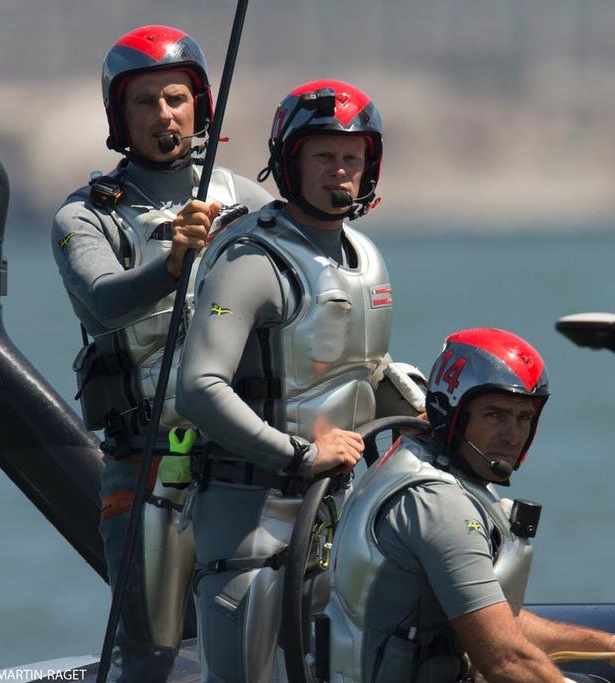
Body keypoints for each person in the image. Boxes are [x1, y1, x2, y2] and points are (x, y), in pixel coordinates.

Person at [175, 79, 426, 682]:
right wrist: (301, 453)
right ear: (290, 161)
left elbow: (362, 373)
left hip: (337, 518)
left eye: (351, 158)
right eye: (323, 156)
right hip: (249, 522)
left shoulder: (368, 260)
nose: (339, 171)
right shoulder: (251, 262)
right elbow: (198, 388)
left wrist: (427, 421)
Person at [50, 24, 272, 683]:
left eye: (175, 98)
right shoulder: (88, 216)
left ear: (199, 107)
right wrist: (173, 260)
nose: (163, 115)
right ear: (120, 117)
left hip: (250, 463)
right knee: (152, 650)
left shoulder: (255, 204)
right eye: (144, 102)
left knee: (275, 634)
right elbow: (102, 301)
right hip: (156, 463)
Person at [324, 328, 615, 683]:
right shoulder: (439, 506)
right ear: (454, 413)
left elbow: (494, 621)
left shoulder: (430, 467)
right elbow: (505, 659)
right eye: (495, 415)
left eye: (524, 417)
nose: (513, 435)